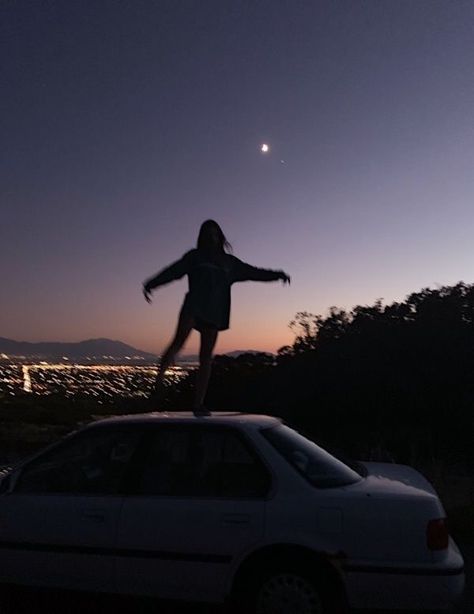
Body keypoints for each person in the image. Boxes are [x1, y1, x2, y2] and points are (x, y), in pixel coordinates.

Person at [143, 220, 290, 416]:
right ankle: (158, 381)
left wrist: (277, 275)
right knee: (178, 342)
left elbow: (254, 272)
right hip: (193, 306)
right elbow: (173, 271)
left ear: (220, 236)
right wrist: (152, 283)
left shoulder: (230, 263)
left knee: (206, 358)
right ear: (202, 237)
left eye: (214, 234)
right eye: (207, 234)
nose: (211, 238)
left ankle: (198, 404)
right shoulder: (195, 257)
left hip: (214, 312)